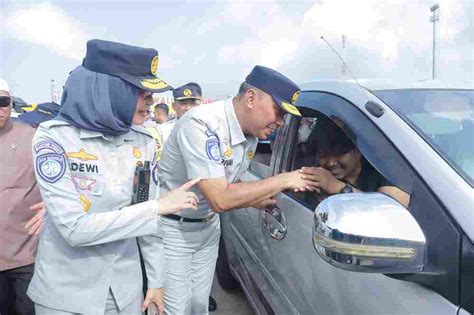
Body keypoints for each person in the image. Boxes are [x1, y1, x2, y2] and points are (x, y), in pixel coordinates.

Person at [27, 39, 200, 315]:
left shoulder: (143, 140)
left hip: (124, 293)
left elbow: (147, 218)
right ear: (110, 89)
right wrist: (157, 207)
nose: (151, 102)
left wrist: (156, 280)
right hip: (67, 296)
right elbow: (74, 228)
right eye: (142, 93)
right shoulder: (54, 138)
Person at [157, 65, 319, 314]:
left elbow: (227, 182)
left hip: (207, 226)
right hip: (174, 230)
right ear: (251, 98)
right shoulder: (203, 124)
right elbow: (220, 198)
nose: (281, 122)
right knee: (175, 309)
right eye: (278, 111)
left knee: (199, 307)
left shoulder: (250, 135)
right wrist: (285, 179)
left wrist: (254, 199)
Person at [0, 77, 44, 315]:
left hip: (26, 257)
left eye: (2, 101)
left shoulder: (33, 138)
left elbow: (61, 182)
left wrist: (49, 206)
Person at [300, 118, 410, 207]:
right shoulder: (316, 176)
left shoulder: (387, 172)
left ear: (358, 151)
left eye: (339, 153)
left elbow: (393, 213)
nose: (331, 163)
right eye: (323, 155)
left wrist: (338, 187)